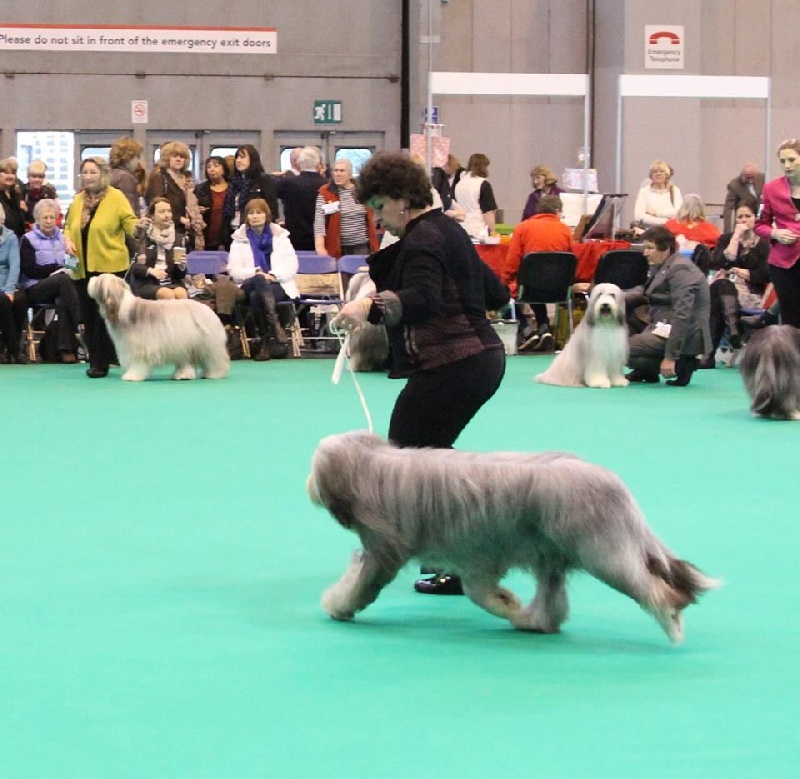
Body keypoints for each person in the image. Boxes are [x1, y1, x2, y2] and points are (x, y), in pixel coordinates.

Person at [331, 150, 510, 596]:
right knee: (425, 461)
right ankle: (452, 554)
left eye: (378, 208)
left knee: (413, 462)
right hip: (479, 359)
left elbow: (424, 298)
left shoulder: (425, 237)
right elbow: (496, 290)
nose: (377, 220)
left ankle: (460, 557)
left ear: (400, 200)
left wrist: (367, 306)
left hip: (458, 363)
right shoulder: (448, 230)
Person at [64, 156, 144, 378]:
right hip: (82, 267)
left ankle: (111, 358)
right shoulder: (78, 200)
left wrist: (138, 226)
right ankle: (96, 361)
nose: (88, 177)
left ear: (103, 175)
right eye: (85, 172)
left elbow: (129, 222)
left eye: (93, 172)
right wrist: (67, 240)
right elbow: (69, 226)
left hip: (110, 267)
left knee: (109, 317)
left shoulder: (116, 197)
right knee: (88, 316)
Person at [626, 226, 711, 387]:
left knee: (620, 350)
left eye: (650, 248)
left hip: (685, 333)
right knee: (625, 320)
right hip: (661, 323)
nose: (645, 253)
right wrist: (613, 293)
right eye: (645, 248)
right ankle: (646, 370)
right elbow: (645, 290)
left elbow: (682, 314)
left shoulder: (680, 269)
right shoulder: (663, 264)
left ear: (666, 250)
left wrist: (670, 357)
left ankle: (682, 365)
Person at [699, 204, 770, 367]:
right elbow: (718, 263)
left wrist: (737, 270)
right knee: (722, 286)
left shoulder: (764, 245)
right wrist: (736, 237)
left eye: (748, 216)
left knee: (720, 290)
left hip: (750, 294)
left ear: (755, 218)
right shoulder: (726, 239)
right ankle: (734, 329)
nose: (743, 220)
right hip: (726, 292)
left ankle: (709, 355)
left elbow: (764, 275)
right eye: (740, 217)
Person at [227, 198, 298, 361]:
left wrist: (273, 275)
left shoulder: (281, 237)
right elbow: (234, 270)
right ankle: (275, 328)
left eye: (259, 212)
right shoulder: (238, 240)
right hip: (248, 283)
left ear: (266, 215)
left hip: (277, 283)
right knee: (258, 280)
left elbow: (292, 265)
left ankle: (266, 342)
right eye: (251, 213)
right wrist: (256, 272)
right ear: (246, 217)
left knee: (256, 296)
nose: (255, 216)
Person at [502, 194, 573, 351]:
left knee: (502, 294)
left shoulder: (523, 227)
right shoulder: (566, 230)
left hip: (530, 287)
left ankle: (526, 332)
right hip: (559, 290)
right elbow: (573, 259)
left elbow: (512, 261)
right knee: (538, 285)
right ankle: (544, 328)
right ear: (557, 210)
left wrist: (506, 281)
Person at [19, 199, 81, 363]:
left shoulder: (63, 239)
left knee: (63, 300)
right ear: (37, 220)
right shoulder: (28, 239)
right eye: (45, 218)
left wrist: (73, 258)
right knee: (62, 280)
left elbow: (72, 267)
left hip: (61, 288)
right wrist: (54, 269)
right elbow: (29, 269)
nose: (48, 221)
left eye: (52, 218)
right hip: (35, 288)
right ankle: (82, 322)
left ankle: (65, 350)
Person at [755, 138, 800, 329]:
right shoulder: (771, 188)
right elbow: (759, 225)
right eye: (783, 161)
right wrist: (775, 233)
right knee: (790, 319)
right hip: (783, 263)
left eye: (792, 160)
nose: (787, 166)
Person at [314, 158, 379, 258]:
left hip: (362, 246)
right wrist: (320, 247)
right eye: (336, 170)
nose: (338, 174)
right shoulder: (325, 192)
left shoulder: (362, 190)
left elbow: (374, 213)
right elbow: (319, 222)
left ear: (350, 174)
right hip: (337, 246)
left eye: (342, 171)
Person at [145, 141, 204, 250]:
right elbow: (155, 205)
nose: (178, 159)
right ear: (167, 158)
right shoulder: (160, 178)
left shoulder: (184, 180)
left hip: (182, 232)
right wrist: (179, 218)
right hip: (165, 233)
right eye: (174, 156)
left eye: (182, 157)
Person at [129, 198, 188, 300]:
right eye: (162, 212)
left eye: (169, 211)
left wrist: (182, 266)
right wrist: (151, 271)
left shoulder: (178, 238)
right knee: (167, 294)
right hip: (147, 282)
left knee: (182, 294)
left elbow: (180, 275)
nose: (167, 215)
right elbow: (133, 267)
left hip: (170, 281)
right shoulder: (143, 235)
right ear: (152, 216)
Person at [275, 146, 327, 251]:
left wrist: (274, 176)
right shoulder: (327, 185)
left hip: (294, 238)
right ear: (318, 164)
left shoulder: (288, 183)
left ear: (299, 163)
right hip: (321, 240)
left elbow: (269, 189)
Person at [224, 144, 279, 237]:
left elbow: (272, 209)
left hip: (255, 231)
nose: (238, 160)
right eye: (237, 157)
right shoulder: (234, 182)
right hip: (233, 229)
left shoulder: (263, 180)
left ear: (252, 159)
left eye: (242, 157)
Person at [0, 207, 28, 363]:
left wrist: (9, 289)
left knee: (22, 299)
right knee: (3, 301)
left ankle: (9, 346)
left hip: (9, 283)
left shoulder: (11, 238)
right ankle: (14, 350)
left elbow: (14, 265)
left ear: (2, 221)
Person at [454, 152, 498, 238]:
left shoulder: (459, 183)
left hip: (461, 228)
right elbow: (488, 212)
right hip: (478, 229)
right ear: (483, 167)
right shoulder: (483, 183)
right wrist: (493, 232)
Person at [195, 155, 231, 251]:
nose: (212, 169)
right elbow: (191, 208)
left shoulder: (232, 188)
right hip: (206, 233)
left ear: (224, 169)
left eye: (216, 166)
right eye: (209, 167)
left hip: (228, 234)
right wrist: (196, 210)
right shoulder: (200, 189)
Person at [633, 160, 682, 230]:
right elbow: (638, 216)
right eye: (655, 171)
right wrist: (666, 221)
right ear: (651, 175)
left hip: (671, 232)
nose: (658, 174)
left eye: (662, 171)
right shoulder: (644, 191)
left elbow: (679, 212)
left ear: (666, 175)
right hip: (650, 232)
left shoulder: (675, 190)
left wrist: (656, 213)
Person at [723, 163, 764, 232]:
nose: (750, 180)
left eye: (752, 177)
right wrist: (728, 231)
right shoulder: (734, 185)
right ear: (742, 175)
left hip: (761, 216)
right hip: (744, 218)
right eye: (748, 177)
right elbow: (728, 209)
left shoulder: (762, 178)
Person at [109, 137, 144, 215]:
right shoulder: (125, 178)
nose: (138, 162)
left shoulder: (111, 174)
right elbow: (129, 210)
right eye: (137, 157)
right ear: (129, 157)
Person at [20, 160, 59, 229]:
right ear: (28, 177)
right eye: (34, 176)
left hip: (45, 230)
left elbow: (54, 215)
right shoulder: (21, 191)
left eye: (40, 177)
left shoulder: (49, 192)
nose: (37, 180)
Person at [0, 158, 26, 239]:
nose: (10, 176)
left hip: (18, 238)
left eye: (13, 173)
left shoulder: (17, 194)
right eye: (6, 173)